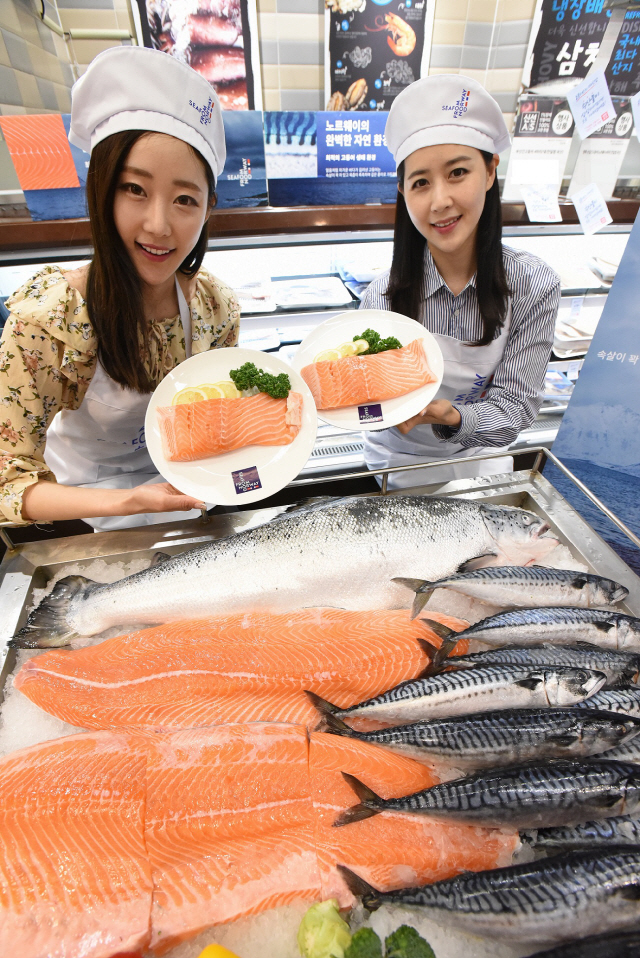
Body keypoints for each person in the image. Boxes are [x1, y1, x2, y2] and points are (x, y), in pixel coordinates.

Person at [0, 46, 240, 531]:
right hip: (80, 516)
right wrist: (129, 503)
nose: (159, 225)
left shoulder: (215, 308)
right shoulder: (50, 318)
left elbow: (218, 423)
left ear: (209, 207)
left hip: (187, 506)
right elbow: (8, 481)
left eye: (184, 199)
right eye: (135, 189)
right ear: (102, 189)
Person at [361, 75, 561, 488]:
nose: (439, 201)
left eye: (457, 173)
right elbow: (365, 398)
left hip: (479, 460)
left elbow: (515, 409)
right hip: (396, 464)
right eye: (420, 183)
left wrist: (451, 416)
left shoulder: (533, 285)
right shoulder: (379, 298)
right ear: (403, 191)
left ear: (490, 171)